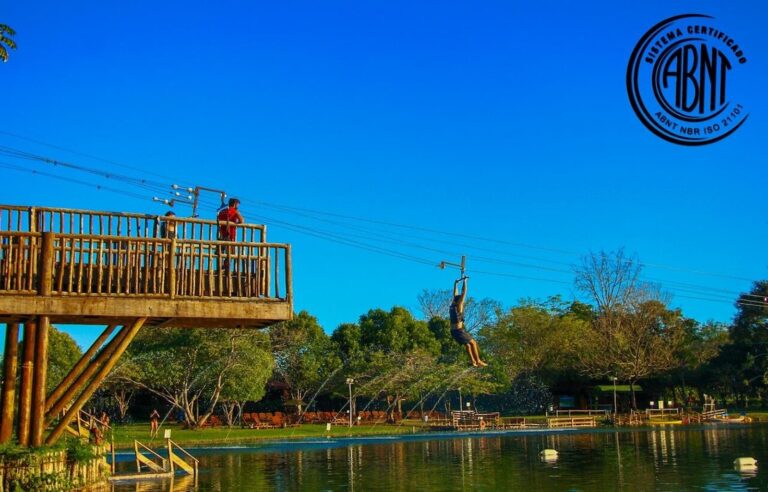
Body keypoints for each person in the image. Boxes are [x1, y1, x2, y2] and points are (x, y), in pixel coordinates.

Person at [450, 276, 488, 367]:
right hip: (459, 331)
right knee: (473, 343)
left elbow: (455, 294)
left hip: (453, 332)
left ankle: (473, 361)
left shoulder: (452, 305)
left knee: (467, 345)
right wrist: (465, 281)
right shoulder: (459, 306)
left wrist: (455, 284)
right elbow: (464, 293)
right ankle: (477, 361)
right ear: (459, 300)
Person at [217, 198, 244, 272]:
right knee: (231, 253)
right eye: (237, 204)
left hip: (222, 235)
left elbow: (218, 220)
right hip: (230, 235)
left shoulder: (222, 211)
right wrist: (236, 223)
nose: (237, 206)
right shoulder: (234, 211)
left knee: (221, 252)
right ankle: (226, 268)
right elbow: (242, 221)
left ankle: (221, 266)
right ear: (235, 204)